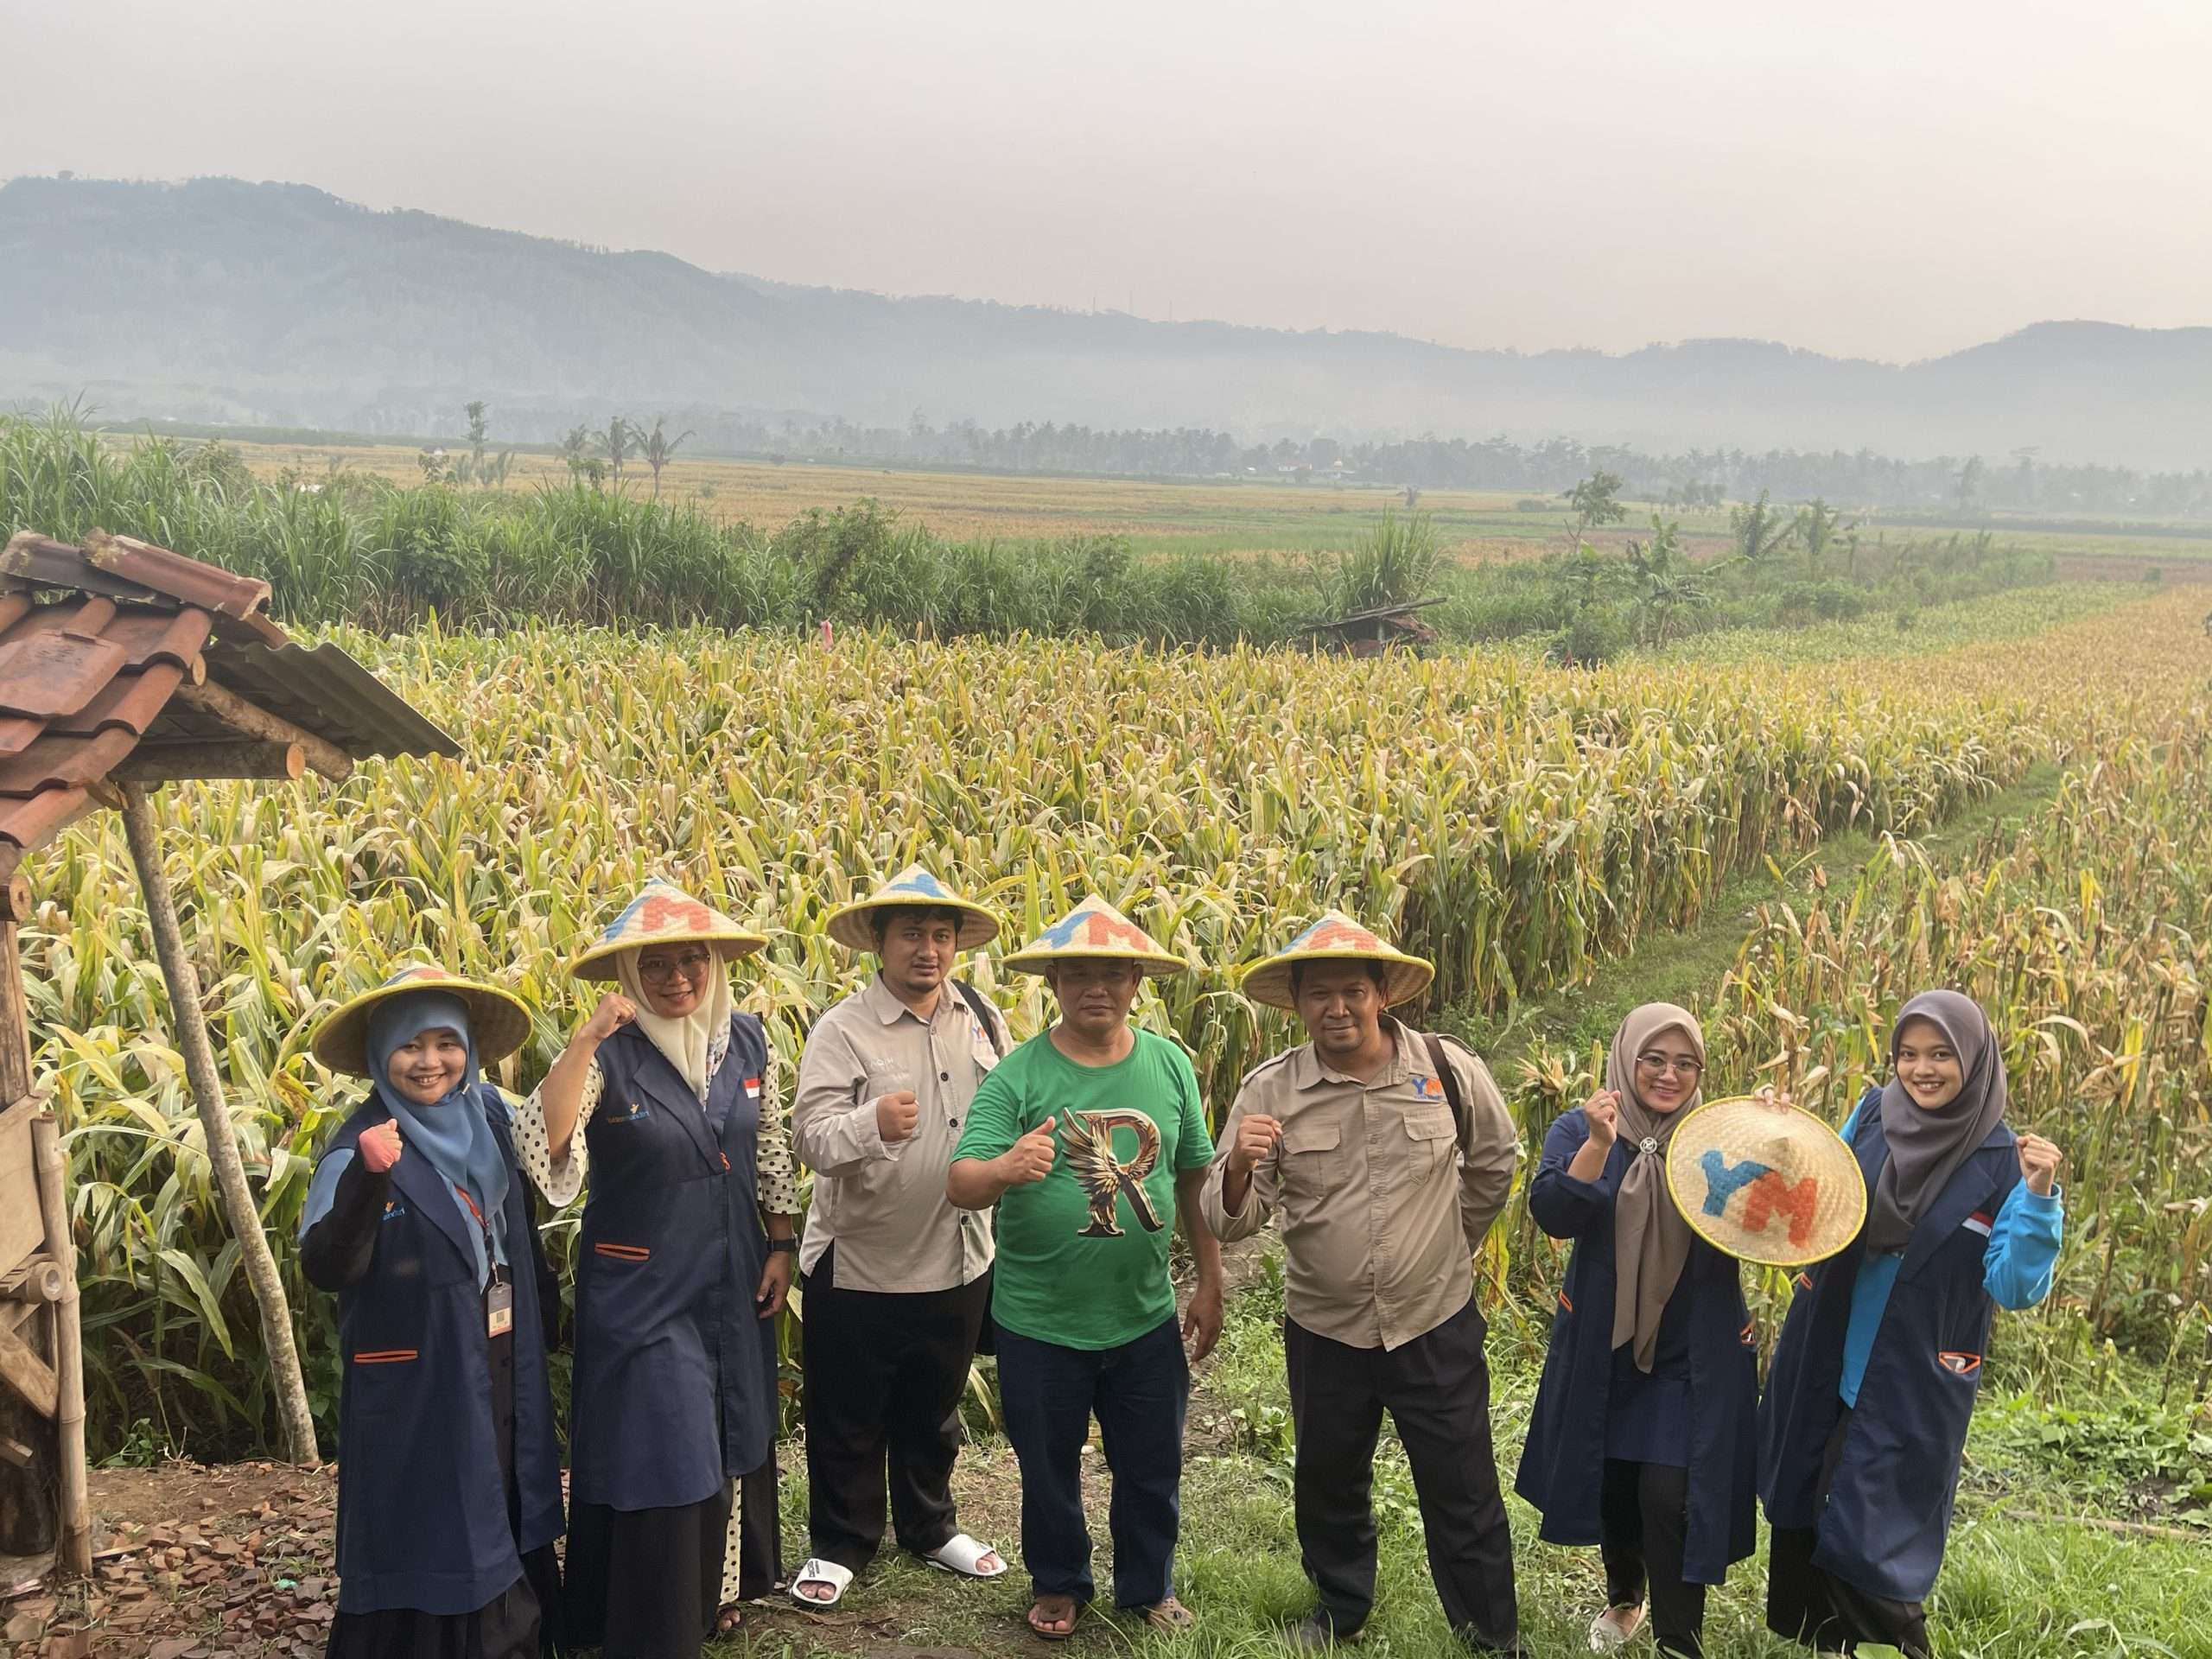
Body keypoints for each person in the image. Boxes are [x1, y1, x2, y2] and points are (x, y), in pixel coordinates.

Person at [1203, 912, 1522, 1656]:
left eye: (1353, 990)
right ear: (1299, 1002)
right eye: (1320, 994)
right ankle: (1341, 1608)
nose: (1336, 1008)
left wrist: (1452, 1245)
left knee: (1464, 1487)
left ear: (1383, 994)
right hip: (1326, 1326)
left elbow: (1495, 1160)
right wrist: (1243, 1167)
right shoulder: (1269, 1091)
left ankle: (1491, 1635)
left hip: (1433, 1320)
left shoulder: (1445, 1069)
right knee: (1327, 1480)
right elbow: (1234, 1224)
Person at [510, 878, 802, 1658]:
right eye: (658, 966)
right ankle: (654, 1623)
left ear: (713, 964)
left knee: (729, 1429)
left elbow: (769, 1148)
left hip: (735, 1268)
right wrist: (583, 1042)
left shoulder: (747, 1039)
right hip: (642, 1283)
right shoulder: (612, 1052)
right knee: (663, 1444)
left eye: (691, 962)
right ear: (630, 977)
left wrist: (780, 1244)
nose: (678, 979)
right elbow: (545, 1149)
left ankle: (718, 1594)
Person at [946, 895, 1223, 1641]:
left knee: (1151, 1463)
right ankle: (1060, 1580)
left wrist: (1211, 1278)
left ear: (1137, 982)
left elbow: (1194, 1177)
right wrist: (1006, 1166)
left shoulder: (1169, 1066)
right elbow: (961, 1181)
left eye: (1112, 974)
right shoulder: (1018, 1076)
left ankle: (1147, 1585)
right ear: (1055, 985)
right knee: (1047, 1468)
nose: (1095, 988)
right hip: (1039, 1320)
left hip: (1144, 1315)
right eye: (1077, 975)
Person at [1759, 990, 2064, 1659]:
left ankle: (1906, 1642)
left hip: (1914, 1370)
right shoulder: (1870, 1116)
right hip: (1830, 1346)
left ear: (1974, 1061)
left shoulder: (2001, 1161)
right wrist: (1779, 1137)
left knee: (1874, 1523)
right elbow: (1812, 1196)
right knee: (1808, 1494)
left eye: (1941, 1055)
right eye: (1908, 1054)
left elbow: (2014, 1285)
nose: (1922, 1069)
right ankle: (1827, 1645)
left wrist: (2039, 1196)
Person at [300, 965, 565, 1659]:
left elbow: (524, 1215)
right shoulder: (355, 1144)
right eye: (410, 1045)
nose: (431, 1062)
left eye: (447, 1042)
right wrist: (368, 1177)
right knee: (435, 1513)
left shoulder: (491, 1118)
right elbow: (328, 1267)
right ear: (380, 1054)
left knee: (497, 1486)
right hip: (418, 1371)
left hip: (497, 1352)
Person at [786, 866, 1014, 1609]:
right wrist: (870, 1124)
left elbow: (1008, 1107)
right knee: (848, 1412)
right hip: (861, 1258)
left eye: (942, 935)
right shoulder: (842, 1030)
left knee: (933, 1403)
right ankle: (841, 1542)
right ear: (879, 944)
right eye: (911, 934)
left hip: (959, 1252)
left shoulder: (981, 1017)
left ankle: (930, 1526)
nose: (929, 949)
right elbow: (810, 1140)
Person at [1513, 1004, 1756, 1659]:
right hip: (1605, 1340)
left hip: (1690, 1350)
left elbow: (1779, 1218)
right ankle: (1625, 1595)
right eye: (1654, 1060)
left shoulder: (1719, 1139)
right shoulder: (1583, 1127)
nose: (1668, 1075)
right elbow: (1555, 1212)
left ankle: (1680, 1639)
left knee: (1670, 1491)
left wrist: (1775, 1139)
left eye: (1685, 1064)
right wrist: (1598, 1144)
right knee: (1612, 1477)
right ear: (1627, 1059)